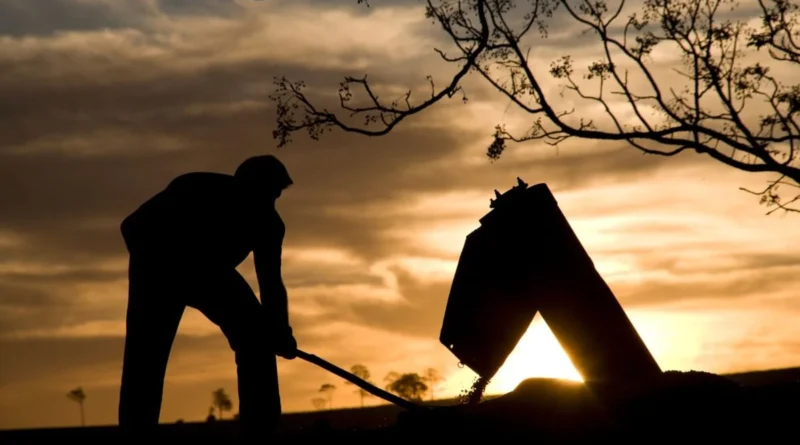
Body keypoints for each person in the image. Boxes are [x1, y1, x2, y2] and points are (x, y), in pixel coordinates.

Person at [117, 155, 298, 441]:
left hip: (211, 273)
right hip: (159, 269)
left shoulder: (269, 225)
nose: (271, 201)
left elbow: (272, 284)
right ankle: (135, 437)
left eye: (277, 195)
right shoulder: (194, 186)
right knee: (146, 356)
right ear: (245, 185)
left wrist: (280, 330)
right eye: (268, 192)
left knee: (258, 337)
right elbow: (131, 225)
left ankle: (261, 430)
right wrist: (161, 260)